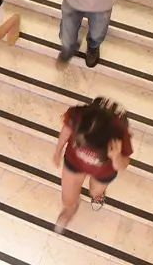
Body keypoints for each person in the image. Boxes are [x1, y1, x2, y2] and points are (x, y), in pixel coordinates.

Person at [52, 96, 133, 233]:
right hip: (74, 163)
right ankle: (69, 210)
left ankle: (98, 194)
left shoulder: (118, 131)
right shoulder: (78, 115)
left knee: (95, 192)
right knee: (67, 198)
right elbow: (67, 129)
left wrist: (116, 156)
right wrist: (58, 150)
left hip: (104, 171)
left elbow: (123, 165)